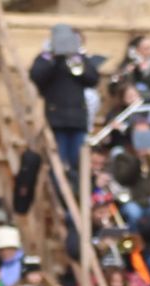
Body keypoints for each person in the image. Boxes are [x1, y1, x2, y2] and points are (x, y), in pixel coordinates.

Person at [29, 25, 102, 174]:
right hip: (57, 119)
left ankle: (75, 191)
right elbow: (37, 77)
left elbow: (93, 79)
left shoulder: (79, 58)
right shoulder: (46, 58)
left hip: (77, 119)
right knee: (58, 162)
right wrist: (54, 59)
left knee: (77, 161)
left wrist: (78, 60)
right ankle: (60, 193)